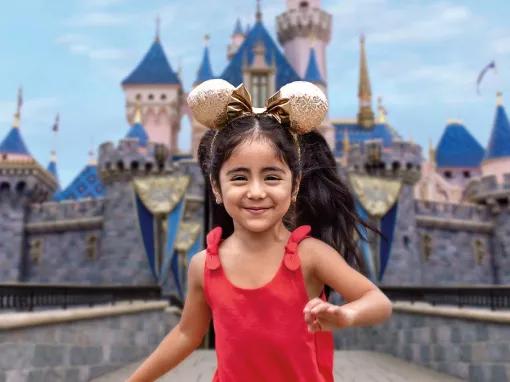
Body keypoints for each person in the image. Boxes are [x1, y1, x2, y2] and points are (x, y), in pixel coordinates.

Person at [127, 79, 392, 382]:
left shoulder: (310, 256)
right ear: (216, 186)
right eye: (239, 177)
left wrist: (347, 315)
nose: (255, 192)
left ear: (294, 186)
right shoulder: (203, 265)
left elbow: (378, 302)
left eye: (271, 177)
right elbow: (187, 333)